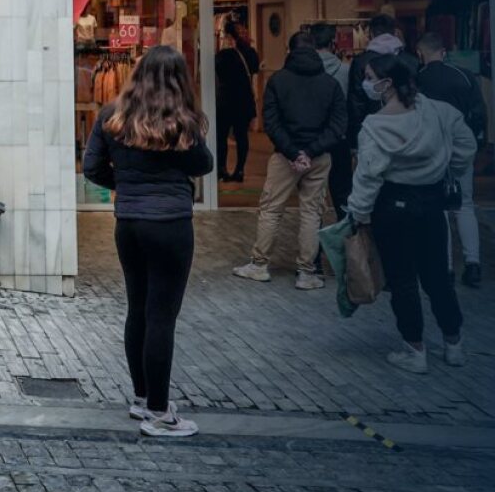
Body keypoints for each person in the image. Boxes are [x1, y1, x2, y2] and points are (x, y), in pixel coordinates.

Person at [82, 45, 214, 437]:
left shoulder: (112, 117)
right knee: (162, 316)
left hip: (129, 224)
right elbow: (204, 164)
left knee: (137, 309)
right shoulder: (182, 122)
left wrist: (123, 183)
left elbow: (91, 168)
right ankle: (160, 411)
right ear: (179, 79)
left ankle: (141, 398)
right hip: (171, 224)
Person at [347, 55, 476, 374]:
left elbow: (368, 176)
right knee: (437, 277)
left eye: (369, 76)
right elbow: (466, 146)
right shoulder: (437, 112)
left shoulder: (376, 126)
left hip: (393, 205)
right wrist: (452, 171)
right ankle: (453, 342)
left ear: (386, 83)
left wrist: (358, 214)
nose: (366, 83)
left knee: (403, 279)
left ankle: (414, 349)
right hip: (432, 202)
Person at [233, 32, 346, 290]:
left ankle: (260, 264)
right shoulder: (330, 84)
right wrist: (312, 151)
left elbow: (271, 122)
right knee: (311, 213)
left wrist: (293, 152)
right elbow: (338, 124)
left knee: (271, 209)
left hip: (285, 156)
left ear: (289, 50)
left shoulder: (278, 81)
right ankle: (307, 272)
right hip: (319, 157)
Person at [416, 32, 486, 288]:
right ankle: (473, 264)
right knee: (464, 204)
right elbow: (478, 114)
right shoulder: (464, 76)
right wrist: (476, 148)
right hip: (459, 149)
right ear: (444, 51)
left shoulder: (417, 80)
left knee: (439, 210)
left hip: (428, 153)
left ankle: (444, 268)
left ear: (420, 54)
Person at [334, 15, 419, 220]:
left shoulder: (362, 61)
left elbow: (355, 103)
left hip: (371, 131)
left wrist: (354, 140)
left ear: (370, 33)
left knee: (371, 176)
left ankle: (372, 219)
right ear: (394, 31)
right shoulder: (411, 60)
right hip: (408, 128)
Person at [214, 22, 260, 182]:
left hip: (225, 100)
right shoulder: (250, 52)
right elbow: (255, 69)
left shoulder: (223, 54)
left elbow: (217, 70)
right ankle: (239, 169)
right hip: (243, 99)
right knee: (241, 136)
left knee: (221, 136)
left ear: (227, 36)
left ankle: (222, 169)